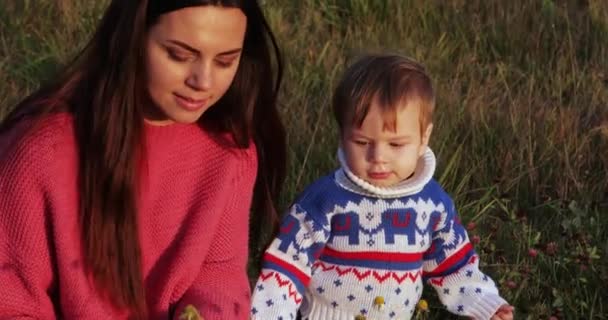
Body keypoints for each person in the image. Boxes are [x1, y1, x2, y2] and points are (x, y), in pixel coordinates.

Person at [0, 1, 286, 319]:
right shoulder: (40, 152)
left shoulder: (230, 150)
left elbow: (219, 273)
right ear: (133, 39)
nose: (203, 81)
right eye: (179, 55)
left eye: (224, 61)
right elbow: (10, 301)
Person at [250, 54, 514, 320]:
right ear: (342, 138)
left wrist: (485, 302)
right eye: (362, 143)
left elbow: (453, 263)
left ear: (424, 139)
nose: (378, 157)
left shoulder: (433, 203)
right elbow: (285, 267)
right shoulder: (326, 200)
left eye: (396, 145)